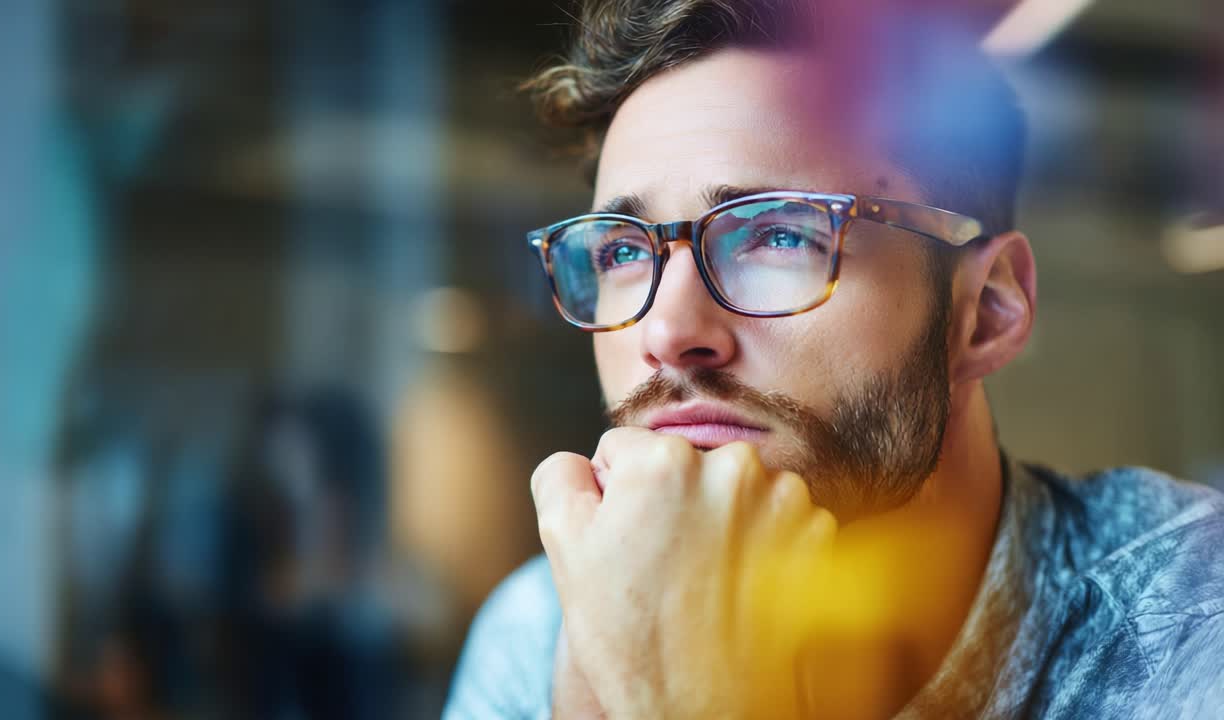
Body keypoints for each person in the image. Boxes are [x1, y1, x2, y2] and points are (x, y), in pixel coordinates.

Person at [445, 1, 1224, 718]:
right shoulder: (540, 627)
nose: (668, 329)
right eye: (621, 251)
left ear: (986, 310)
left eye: (780, 235)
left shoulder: (1190, 624)